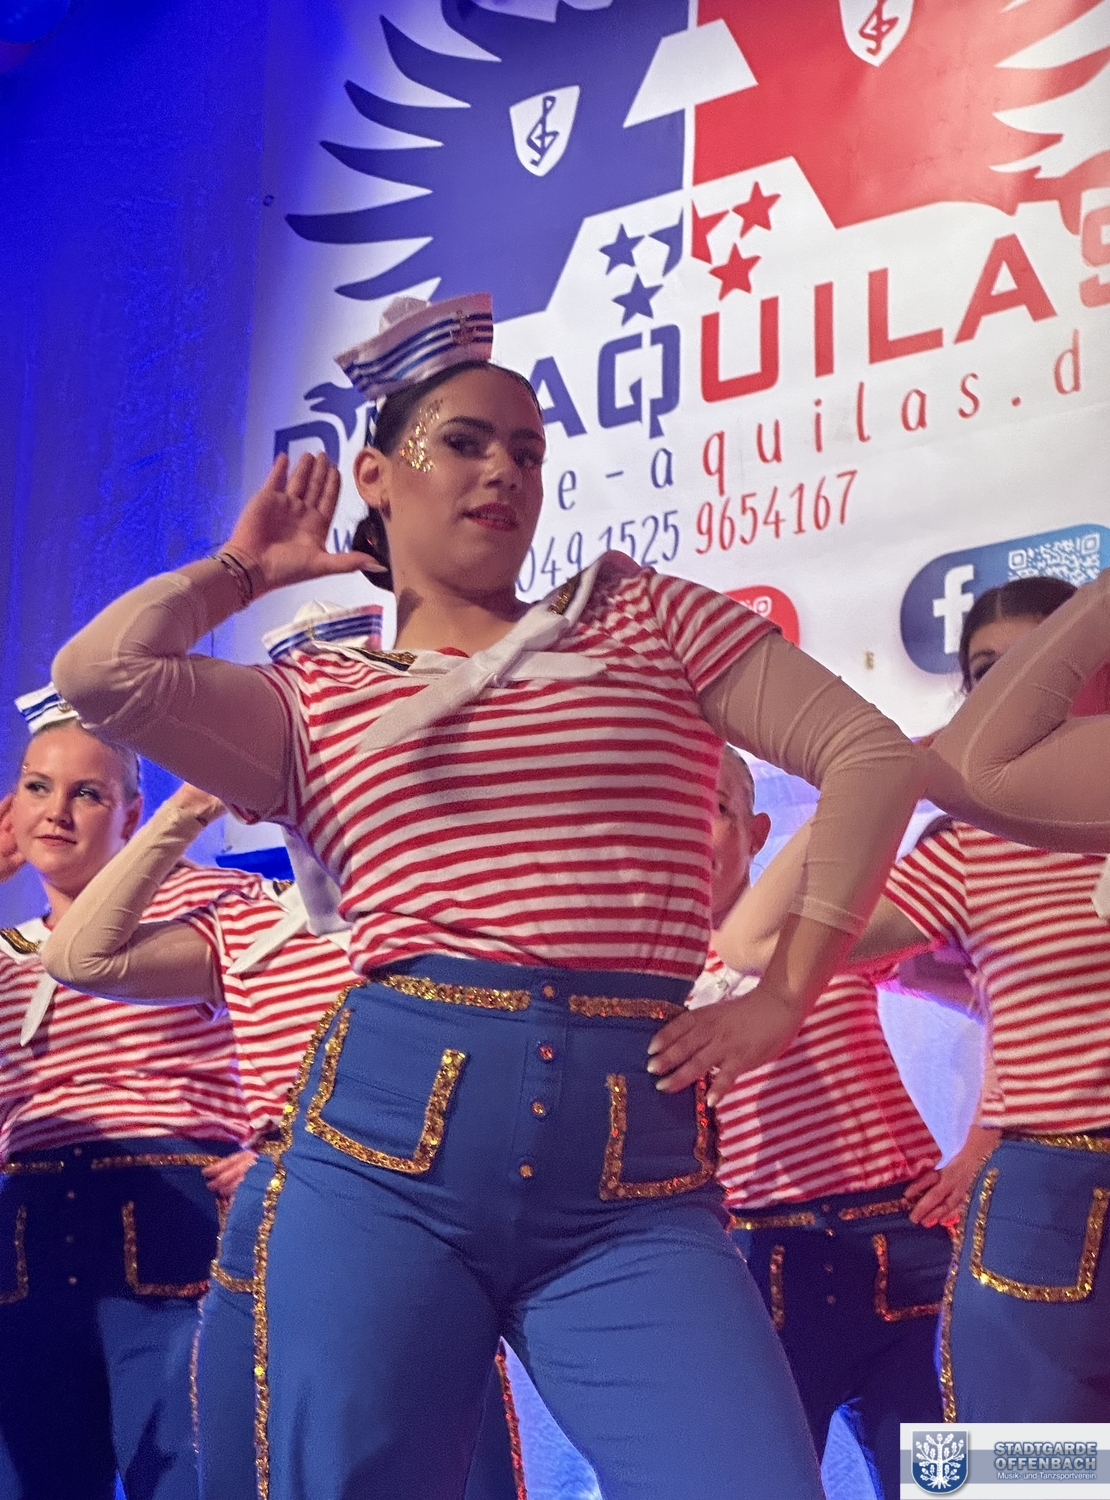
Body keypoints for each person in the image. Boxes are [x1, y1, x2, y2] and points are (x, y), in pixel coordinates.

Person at [52, 290, 926, 1500]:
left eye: (526, 449)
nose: (503, 471)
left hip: (635, 1178)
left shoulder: (641, 613)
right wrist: (244, 570)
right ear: (377, 475)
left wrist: (782, 995)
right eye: (463, 442)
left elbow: (873, 757)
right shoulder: (314, 696)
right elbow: (99, 672)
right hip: (383, 1155)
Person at [42, 600, 526, 1500]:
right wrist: (192, 801)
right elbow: (83, 957)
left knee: (455, 1470)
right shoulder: (244, 919)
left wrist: (302, 1143)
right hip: (286, 1242)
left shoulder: (454, 904)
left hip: (427, 1224)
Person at [719, 577, 1110, 1422]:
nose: (1011, 695)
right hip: (1051, 1197)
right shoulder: (972, 850)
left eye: (1037, 663)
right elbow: (752, 944)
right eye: (986, 675)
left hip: (1008, 1204)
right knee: (1037, 1472)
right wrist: (877, 777)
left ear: (1103, 664)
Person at [692, 749, 992, 1499]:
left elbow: (1005, 997)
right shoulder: (634, 975)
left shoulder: (823, 933)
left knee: (957, 1484)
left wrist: (985, 1145)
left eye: (716, 806)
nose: (692, 826)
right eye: (672, 806)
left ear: (757, 832)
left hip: (903, 1242)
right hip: (757, 1265)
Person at [0, 687, 254, 1500]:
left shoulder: (209, 906)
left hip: (172, 1214)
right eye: (38, 787)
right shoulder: (6, 953)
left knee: (186, 1475)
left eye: (87, 793)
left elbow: (329, 1015)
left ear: (133, 813)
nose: (57, 812)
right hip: (27, 1236)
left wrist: (286, 1146)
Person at [927, 558, 1110, 853]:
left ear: (1109, 670)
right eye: (988, 672)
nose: (1014, 694)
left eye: (1043, 665)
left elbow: (968, 770)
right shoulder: (960, 851)